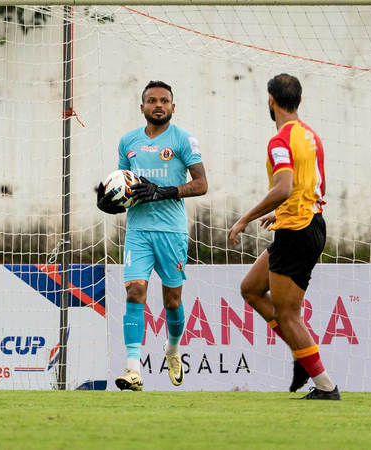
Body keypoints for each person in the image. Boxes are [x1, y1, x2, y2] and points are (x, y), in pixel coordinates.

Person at [227, 73, 340, 400]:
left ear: (271, 100)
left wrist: (244, 219)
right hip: (306, 222)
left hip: (297, 232)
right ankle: (302, 355)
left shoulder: (280, 141)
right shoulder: (310, 135)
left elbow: (284, 187)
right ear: (299, 101)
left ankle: (325, 386)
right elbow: (313, 187)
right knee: (250, 289)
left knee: (288, 315)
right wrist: (280, 212)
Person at [97, 80, 208, 391]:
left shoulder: (184, 140)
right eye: (152, 100)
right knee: (135, 293)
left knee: (172, 302)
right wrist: (107, 201)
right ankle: (133, 370)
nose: (158, 105)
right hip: (138, 232)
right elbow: (122, 183)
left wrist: (163, 191)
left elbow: (201, 184)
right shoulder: (128, 141)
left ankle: (172, 348)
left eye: (164, 101)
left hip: (172, 232)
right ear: (142, 106)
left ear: (173, 107)